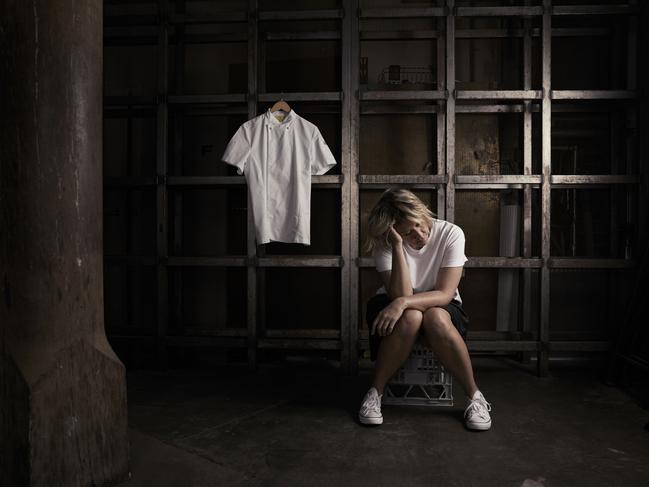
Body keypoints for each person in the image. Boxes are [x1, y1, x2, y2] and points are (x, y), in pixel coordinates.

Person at [358, 188, 492, 431]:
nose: (419, 235)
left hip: (439, 303)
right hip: (395, 302)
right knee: (410, 318)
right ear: (394, 232)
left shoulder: (451, 233)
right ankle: (374, 393)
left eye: (419, 225)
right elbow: (400, 294)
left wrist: (402, 303)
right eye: (408, 233)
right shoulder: (386, 243)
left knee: (436, 318)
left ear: (422, 212)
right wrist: (398, 247)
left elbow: (444, 293)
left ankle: (475, 397)